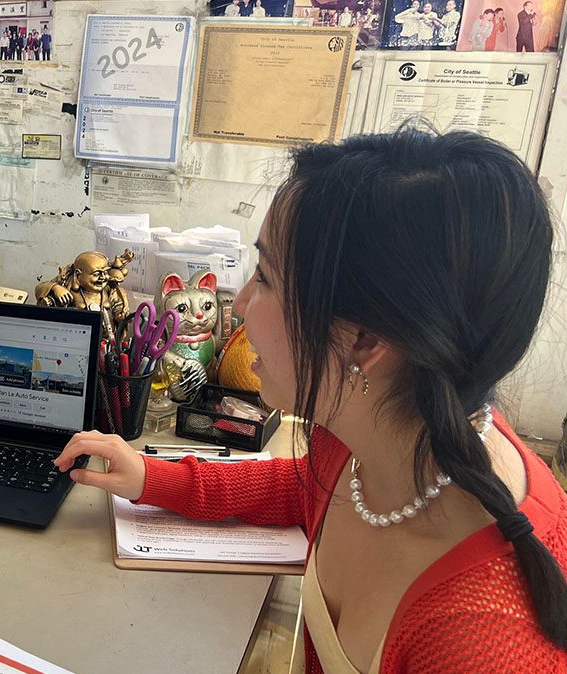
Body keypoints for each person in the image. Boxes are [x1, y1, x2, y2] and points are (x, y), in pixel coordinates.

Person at [53, 130, 567, 671]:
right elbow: (299, 486)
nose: (244, 304)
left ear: (365, 341)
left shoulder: (484, 640)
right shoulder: (367, 435)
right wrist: (153, 479)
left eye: (268, 279)